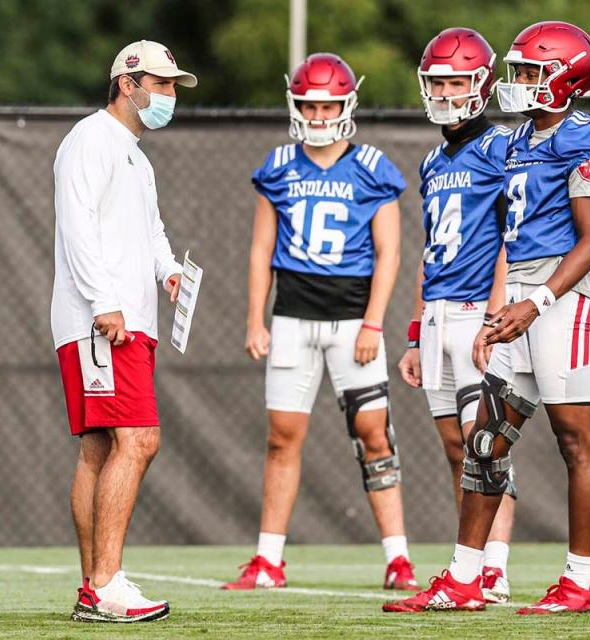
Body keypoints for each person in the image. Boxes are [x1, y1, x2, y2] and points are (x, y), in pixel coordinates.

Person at [386, 21, 590, 614]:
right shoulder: (513, 142)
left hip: (557, 301)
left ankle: (578, 581)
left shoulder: (586, 138)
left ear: (567, 81)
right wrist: (517, 298)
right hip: (520, 293)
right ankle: (467, 577)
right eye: (516, 71)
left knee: (576, 441)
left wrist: (540, 298)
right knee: (486, 441)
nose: (517, 83)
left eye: (530, 73)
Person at [222, 53, 419, 591]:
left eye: (328, 103)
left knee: (373, 434)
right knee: (282, 437)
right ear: (295, 103)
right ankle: (268, 560)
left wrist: (374, 323)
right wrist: (254, 320)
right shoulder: (280, 163)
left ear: (347, 103)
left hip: (353, 318)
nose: (318, 113)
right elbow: (261, 249)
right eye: (309, 103)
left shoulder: (374, 167)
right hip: (292, 316)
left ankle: (398, 559)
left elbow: (391, 254)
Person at [51, 40, 196, 623]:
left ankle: (95, 587)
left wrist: (169, 271)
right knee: (139, 440)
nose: (167, 96)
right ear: (127, 84)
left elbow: (152, 230)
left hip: (125, 319)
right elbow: (76, 221)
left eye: (171, 86)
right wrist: (105, 303)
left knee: (101, 447)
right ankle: (107, 584)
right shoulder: (91, 137)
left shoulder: (136, 154)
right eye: (160, 85)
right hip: (104, 322)